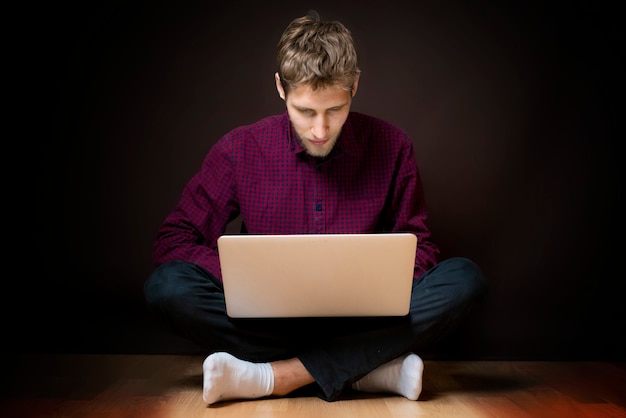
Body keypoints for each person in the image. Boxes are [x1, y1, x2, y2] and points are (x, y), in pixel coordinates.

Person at [144, 10, 486, 405]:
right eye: (305, 111)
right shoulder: (239, 150)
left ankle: (276, 376)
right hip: (269, 324)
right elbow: (172, 240)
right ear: (280, 89)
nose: (320, 130)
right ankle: (365, 370)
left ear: (354, 86)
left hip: (363, 321)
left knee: (464, 279)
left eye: (335, 110)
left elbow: (422, 249)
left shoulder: (393, 147)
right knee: (167, 287)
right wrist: (249, 278)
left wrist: (369, 283)